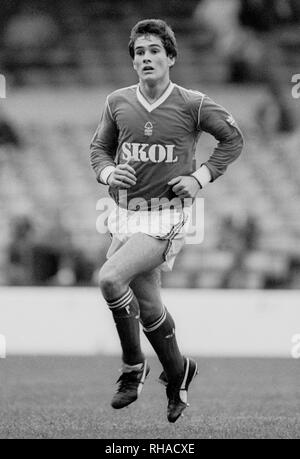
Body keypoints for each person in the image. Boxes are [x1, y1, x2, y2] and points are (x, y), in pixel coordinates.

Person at [90, 19, 243, 423]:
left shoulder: (193, 103)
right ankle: (179, 372)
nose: (146, 58)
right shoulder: (117, 101)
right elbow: (99, 150)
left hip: (167, 214)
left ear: (171, 57)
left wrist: (199, 177)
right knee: (150, 304)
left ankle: (132, 367)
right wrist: (109, 173)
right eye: (139, 52)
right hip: (124, 213)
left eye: (154, 51)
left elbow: (233, 139)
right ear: (133, 62)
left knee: (109, 279)